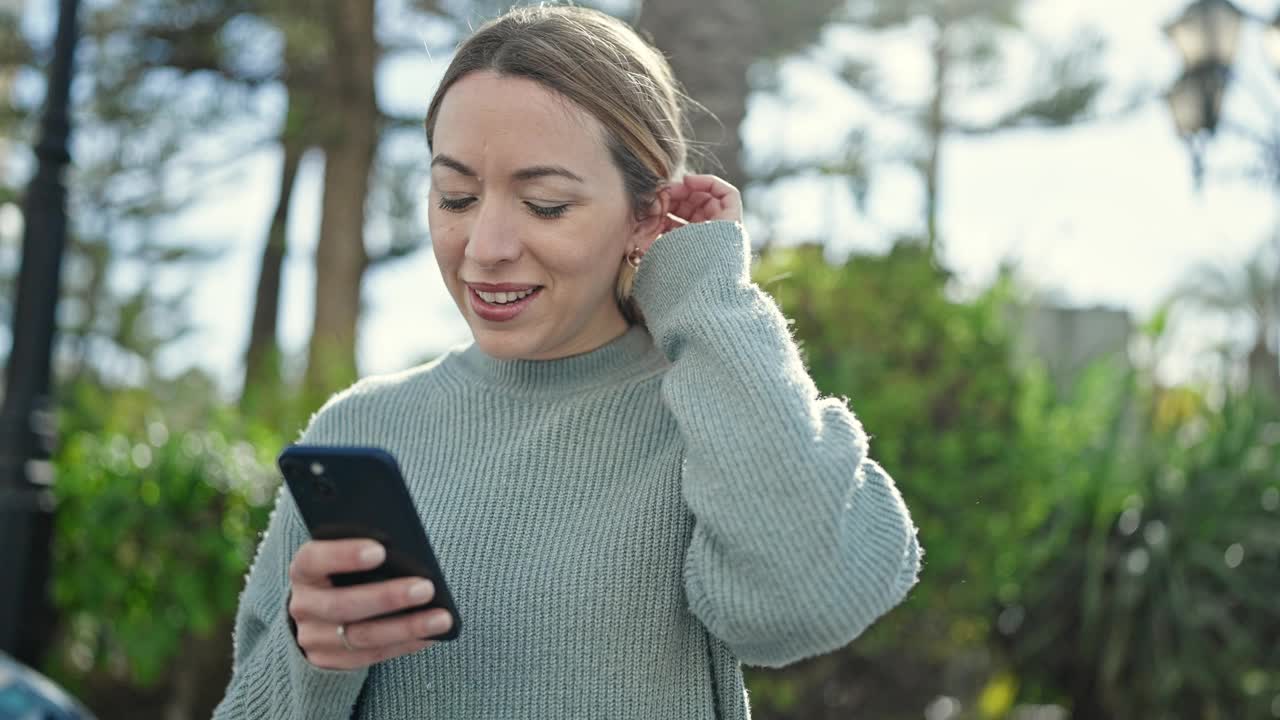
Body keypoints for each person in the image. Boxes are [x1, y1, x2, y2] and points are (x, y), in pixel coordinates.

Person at [213, 5, 922, 719]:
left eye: (545, 204)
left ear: (644, 215)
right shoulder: (358, 430)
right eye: (454, 196)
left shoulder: (712, 416)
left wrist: (705, 287)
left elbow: (805, 600)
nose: (484, 246)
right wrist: (314, 657)